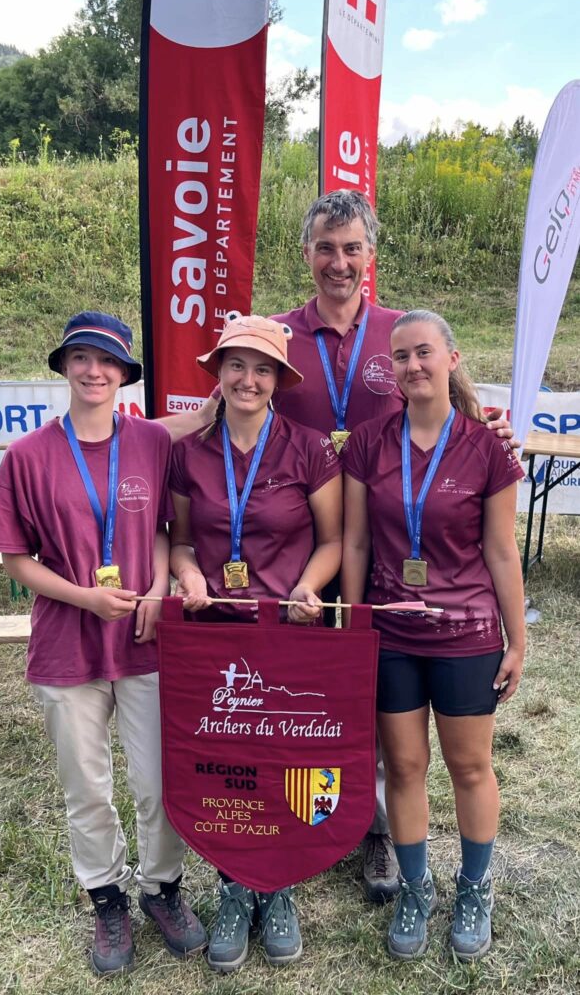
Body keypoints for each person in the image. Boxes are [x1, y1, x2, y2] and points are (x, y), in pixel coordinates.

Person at [161, 188, 517, 904]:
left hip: (387, 546)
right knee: (316, 702)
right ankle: (304, 827)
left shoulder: (398, 333)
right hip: (302, 553)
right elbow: (218, 406)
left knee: (387, 721)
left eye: (352, 248)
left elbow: (456, 395)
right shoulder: (278, 335)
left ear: (370, 255)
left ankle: (377, 833)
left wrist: (490, 429)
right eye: (326, 248)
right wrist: (134, 437)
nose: (339, 261)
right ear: (307, 254)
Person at [0, 311, 207, 976]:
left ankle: (163, 890)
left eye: (106, 361)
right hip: (67, 646)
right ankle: (107, 898)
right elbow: (16, 559)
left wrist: (154, 589)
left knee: (158, 781)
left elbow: (171, 530)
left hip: (144, 640)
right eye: (81, 358)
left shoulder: (149, 443)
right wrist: (84, 597)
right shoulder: (28, 456)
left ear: (123, 374)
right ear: (63, 367)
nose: (93, 370)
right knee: (86, 784)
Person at [341, 309, 526, 962]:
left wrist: (517, 638)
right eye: (400, 357)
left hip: (468, 634)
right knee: (409, 767)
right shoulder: (368, 442)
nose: (412, 365)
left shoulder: (487, 446)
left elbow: (502, 552)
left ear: (451, 358)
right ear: (389, 370)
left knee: (471, 766)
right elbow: (356, 540)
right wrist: (356, 626)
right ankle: (417, 889)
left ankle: (474, 889)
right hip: (391, 632)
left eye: (423, 353)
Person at [168, 312, 342, 973]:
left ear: (277, 380)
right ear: (218, 374)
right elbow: (182, 542)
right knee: (228, 769)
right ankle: (236, 889)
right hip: (215, 638)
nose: (247, 378)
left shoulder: (309, 448)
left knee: (288, 764)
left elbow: (331, 543)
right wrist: (186, 574)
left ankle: (280, 887)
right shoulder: (190, 453)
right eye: (235, 365)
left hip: (289, 633)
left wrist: (308, 586)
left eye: (261, 368)